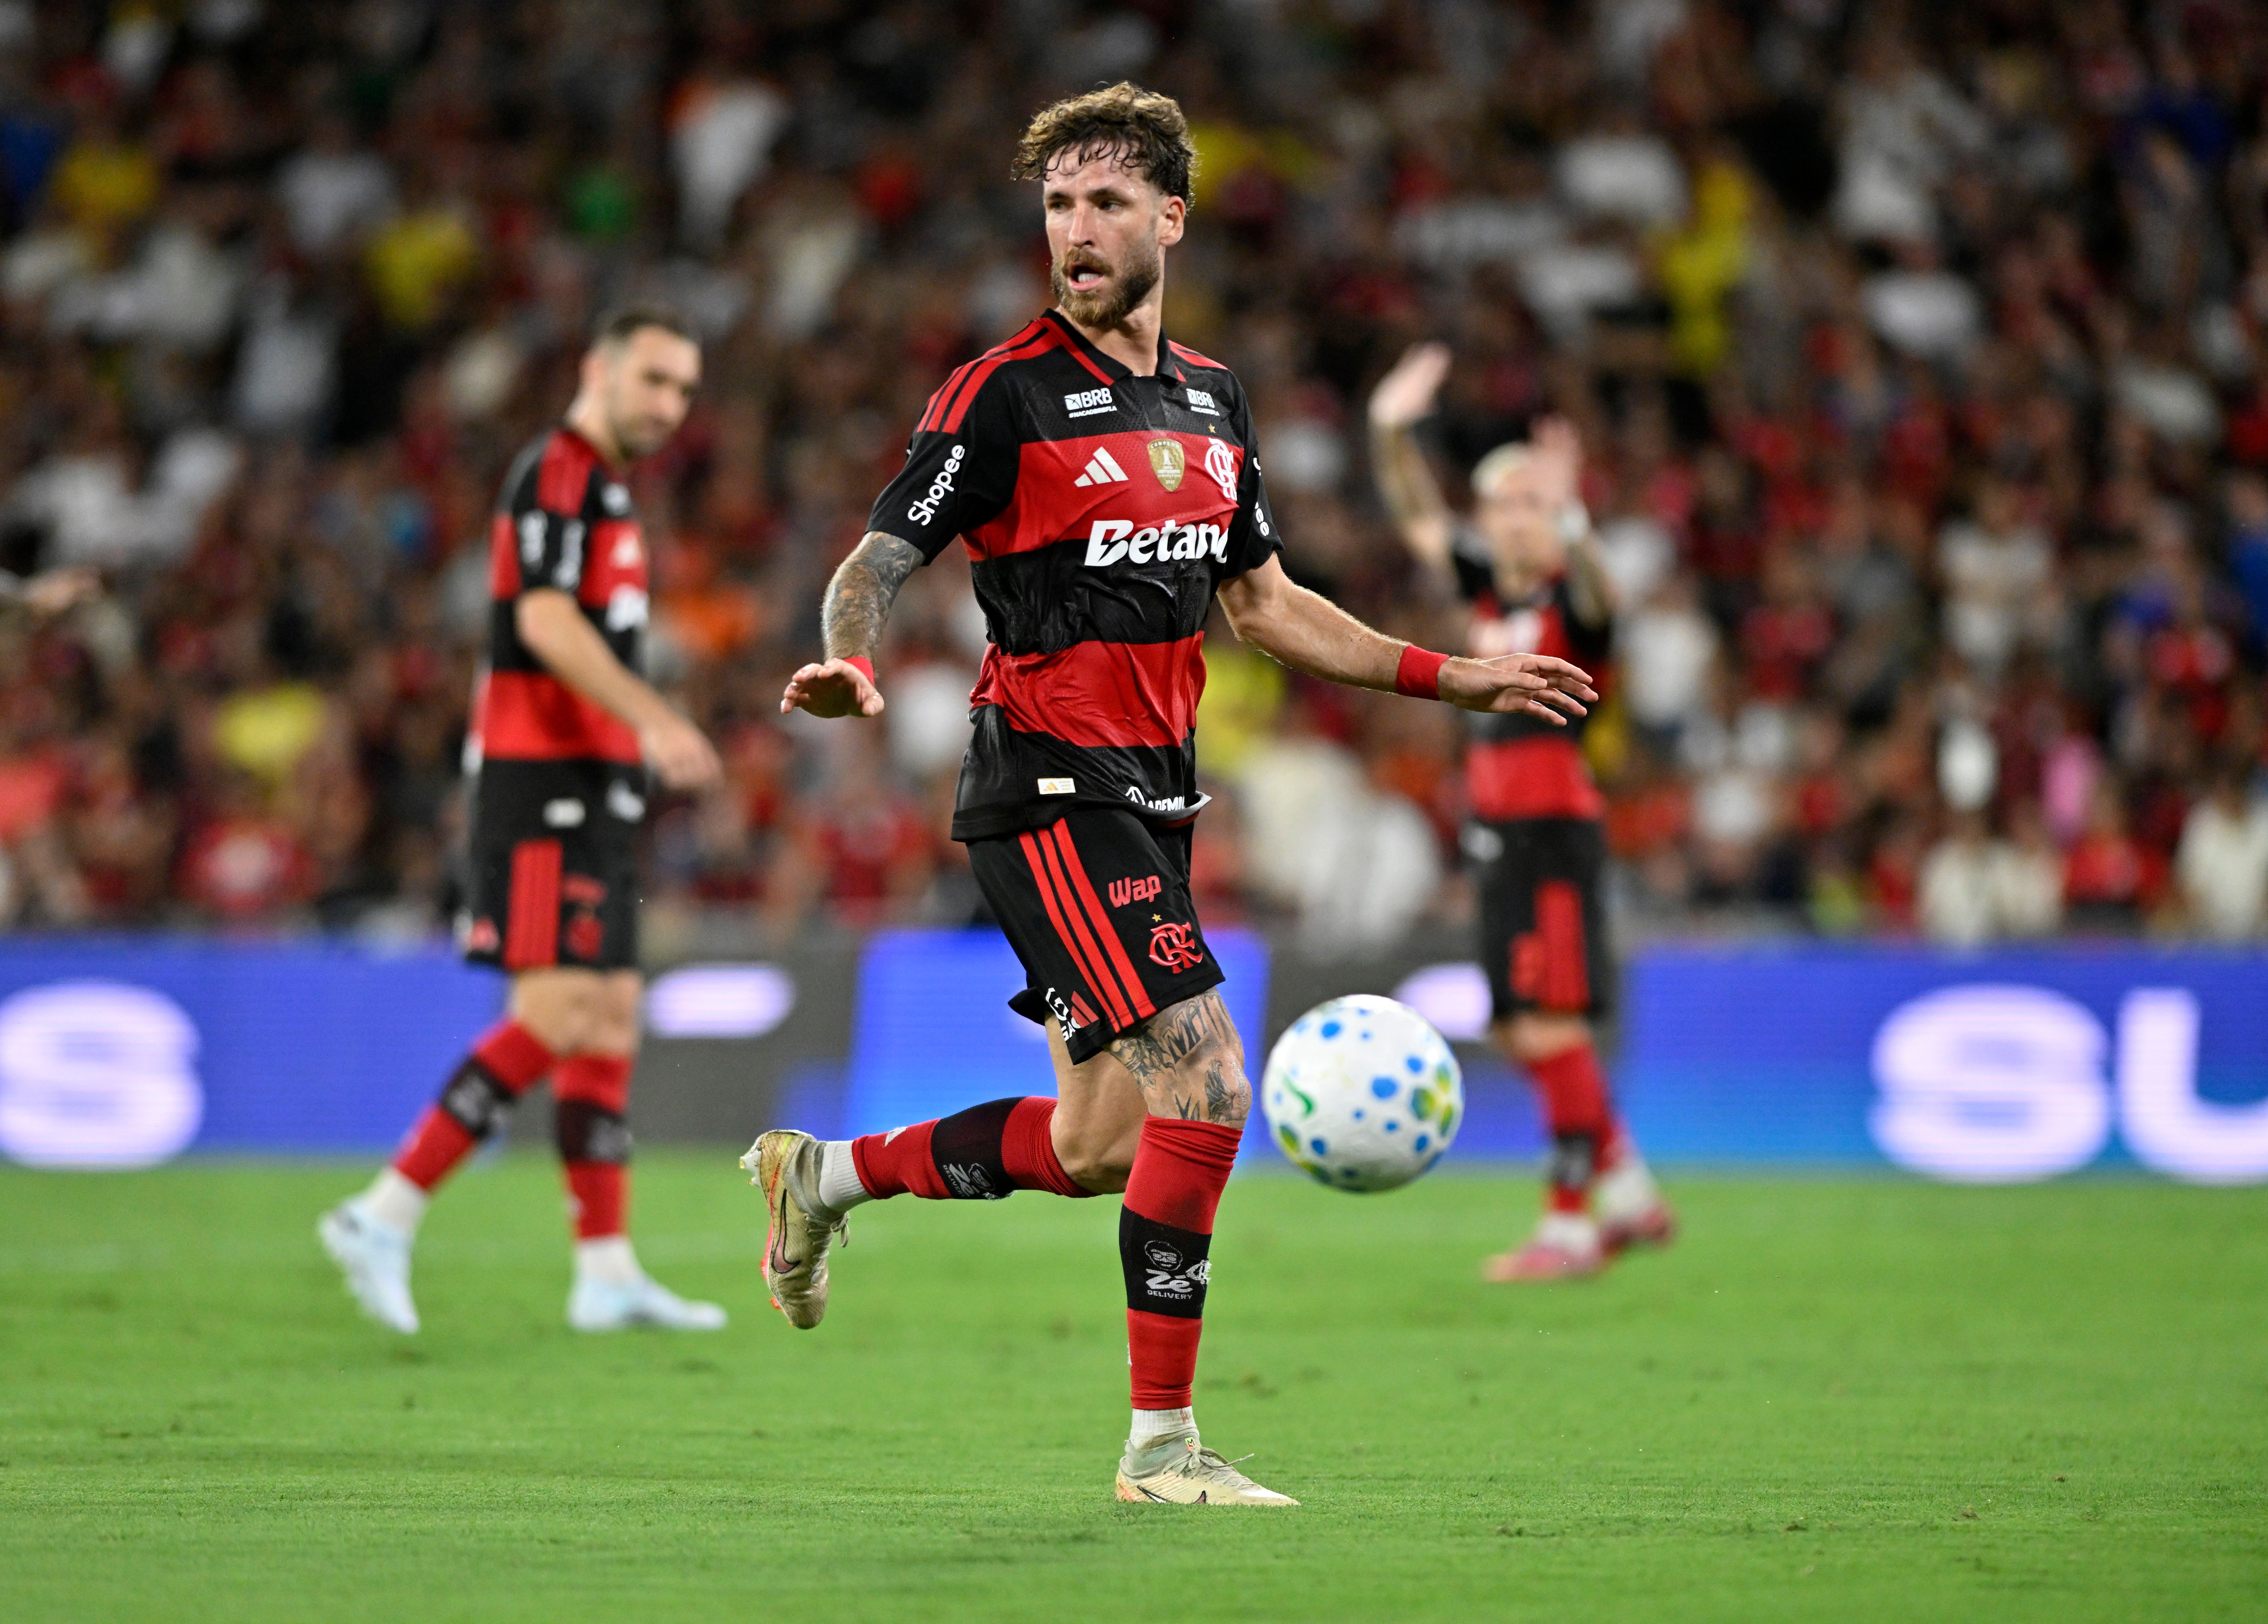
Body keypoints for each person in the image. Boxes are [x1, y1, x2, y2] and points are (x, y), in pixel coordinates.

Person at [746, 83, 1595, 1508]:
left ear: (1171, 219)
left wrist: (1456, 676)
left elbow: (1264, 605)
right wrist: (848, 657)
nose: (1075, 232)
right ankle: (1162, 1448)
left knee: (1096, 1145)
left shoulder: (1211, 399)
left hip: (1154, 798)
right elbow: (879, 556)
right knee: (1205, 1076)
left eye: (1105, 203)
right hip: (1045, 783)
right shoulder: (1001, 392)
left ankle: (822, 1176)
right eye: (1057, 206)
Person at [319, 306, 728, 1334]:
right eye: (654, 380)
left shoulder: (609, 492)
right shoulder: (557, 472)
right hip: (539, 782)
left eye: (684, 390)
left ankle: (605, 1271)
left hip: (595, 788)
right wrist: (654, 718)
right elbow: (542, 621)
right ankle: (384, 1212)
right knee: (557, 1009)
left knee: (612, 1013)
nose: (669, 406)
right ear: (598, 370)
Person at [1368, 343, 1676, 1282]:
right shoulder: (1487, 591)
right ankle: (1630, 1193)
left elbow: (1601, 591)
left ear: (1557, 519)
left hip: (1550, 829)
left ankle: (1570, 1226)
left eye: (1529, 503)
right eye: (1499, 503)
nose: (1510, 517)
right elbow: (1420, 520)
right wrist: (1389, 430)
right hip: (1496, 831)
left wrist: (1573, 517)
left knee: (1551, 1028)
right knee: (1517, 1027)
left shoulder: (1571, 604)